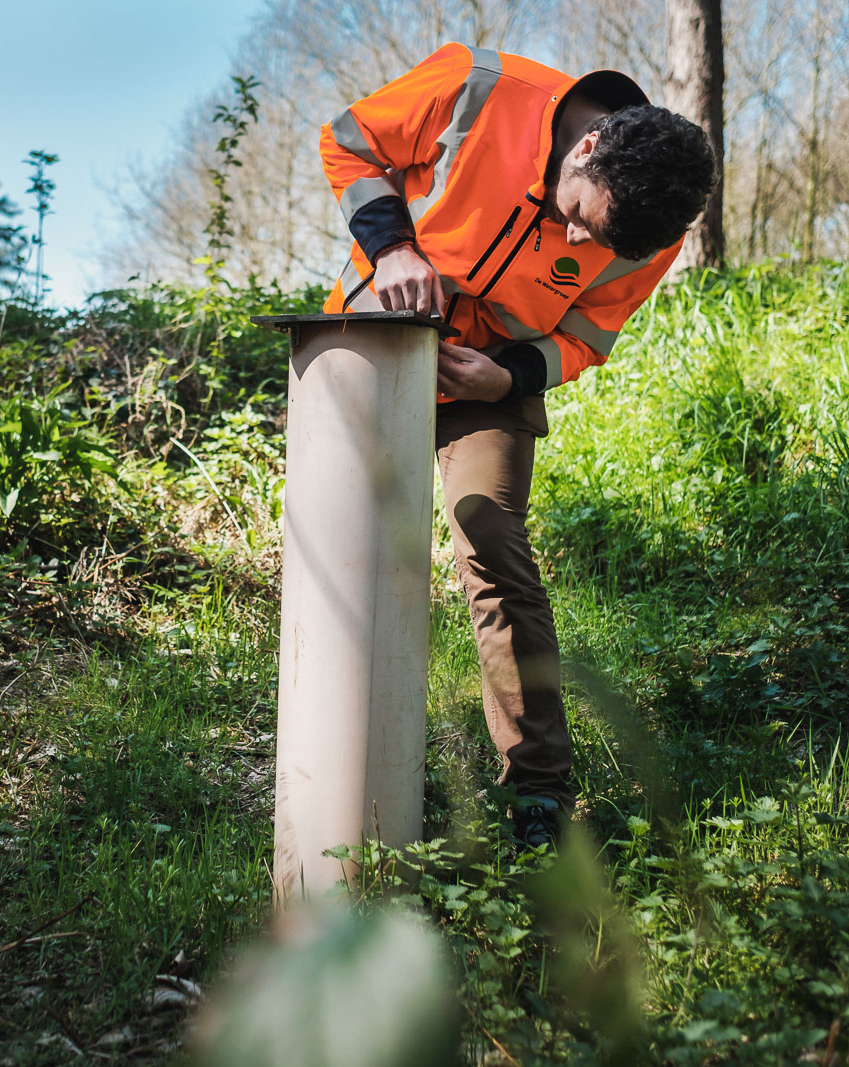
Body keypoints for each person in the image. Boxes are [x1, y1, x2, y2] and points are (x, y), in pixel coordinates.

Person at [319, 44, 717, 847]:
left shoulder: (647, 232)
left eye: (590, 234)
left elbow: (585, 336)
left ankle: (537, 792)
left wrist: (505, 380)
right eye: (578, 210)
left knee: (494, 540)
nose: (573, 233)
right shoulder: (479, 86)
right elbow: (349, 140)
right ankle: (331, 756)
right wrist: (395, 249)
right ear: (587, 146)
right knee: (345, 538)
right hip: (380, 338)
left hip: (491, 382)